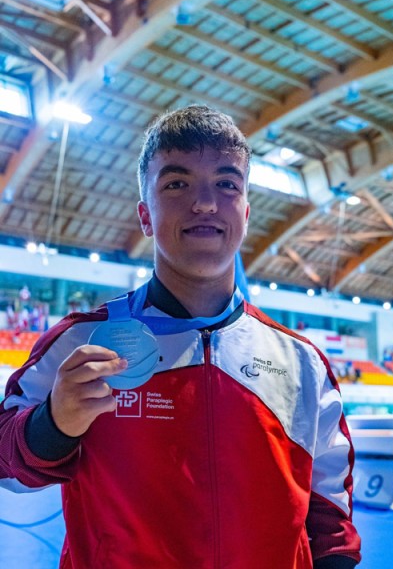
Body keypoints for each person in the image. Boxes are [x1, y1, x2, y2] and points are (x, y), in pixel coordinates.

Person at [0, 105, 361, 568]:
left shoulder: (301, 363)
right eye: (177, 183)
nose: (206, 202)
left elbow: (330, 520)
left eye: (227, 184)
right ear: (145, 216)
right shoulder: (80, 344)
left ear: (246, 214)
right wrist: (53, 423)